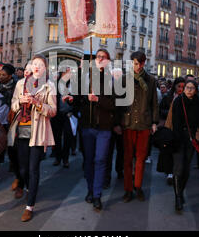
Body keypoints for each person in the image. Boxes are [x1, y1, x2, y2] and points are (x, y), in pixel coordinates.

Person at [9, 54, 57, 222]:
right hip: (22, 130)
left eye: (40, 64)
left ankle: (30, 206)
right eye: (34, 63)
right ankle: (29, 187)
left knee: (33, 168)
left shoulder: (49, 86)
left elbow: (52, 111)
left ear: (45, 68)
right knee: (22, 169)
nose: (36, 67)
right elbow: (13, 105)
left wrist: (37, 103)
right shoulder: (20, 84)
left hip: (38, 131)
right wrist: (20, 102)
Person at [74, 49, 116, 212]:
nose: (99, 59)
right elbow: (77, 100)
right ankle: (90, 190)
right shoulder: (85, 78)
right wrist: (71, 99)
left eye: (103, 57)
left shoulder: (113, 80)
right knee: (89, 160)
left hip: (104, 128)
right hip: (87, 126)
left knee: (100, 160)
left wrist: (98, 99)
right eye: (97, 57)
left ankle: (97, 195)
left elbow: (115, 105)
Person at [121, 51, 159, 202]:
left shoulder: (150, 80)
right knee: (127, 159)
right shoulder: (124, 79)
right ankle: (128, 189)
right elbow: (119, 102)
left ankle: (138, 187)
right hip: (128, 124)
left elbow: (154, 103)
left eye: (137, 63)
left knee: (141, 159)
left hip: (144, 124)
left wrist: (154, 122)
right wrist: (118, 123)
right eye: (132, 63)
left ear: (143, 64)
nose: (134, 66)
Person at [171, 80, 199, 212]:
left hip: (193, 139)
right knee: (178, 168)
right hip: (179, 137)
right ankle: (178, 198)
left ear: (196, 90)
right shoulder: (178, 101)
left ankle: (180, 191)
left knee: (186, 168)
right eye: (187, 87)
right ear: (184, 89)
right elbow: (175, 121)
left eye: (192, 88)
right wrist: (176, 138)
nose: (189, 90)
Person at [157, 77, 185, 185]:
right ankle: (169, 172)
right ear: (175, 86)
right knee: (168, 151)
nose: (181, 89)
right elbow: (161, 110)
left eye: (183, 87)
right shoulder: (168, 97)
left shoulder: (186, 98)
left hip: (180, 128)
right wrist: (169, 112)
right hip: (168, 127)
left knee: (177, 151)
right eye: (179, 86)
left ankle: (176, 172)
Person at [52, 67, 76, 168]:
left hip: (68, 115)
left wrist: (73, 110)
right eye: (67, 72)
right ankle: (58, 157)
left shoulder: (74, 84)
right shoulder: (55, 84)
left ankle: (65, 159)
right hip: (56, 114)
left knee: (68, 137)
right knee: (56, 137)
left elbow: (77, 100)